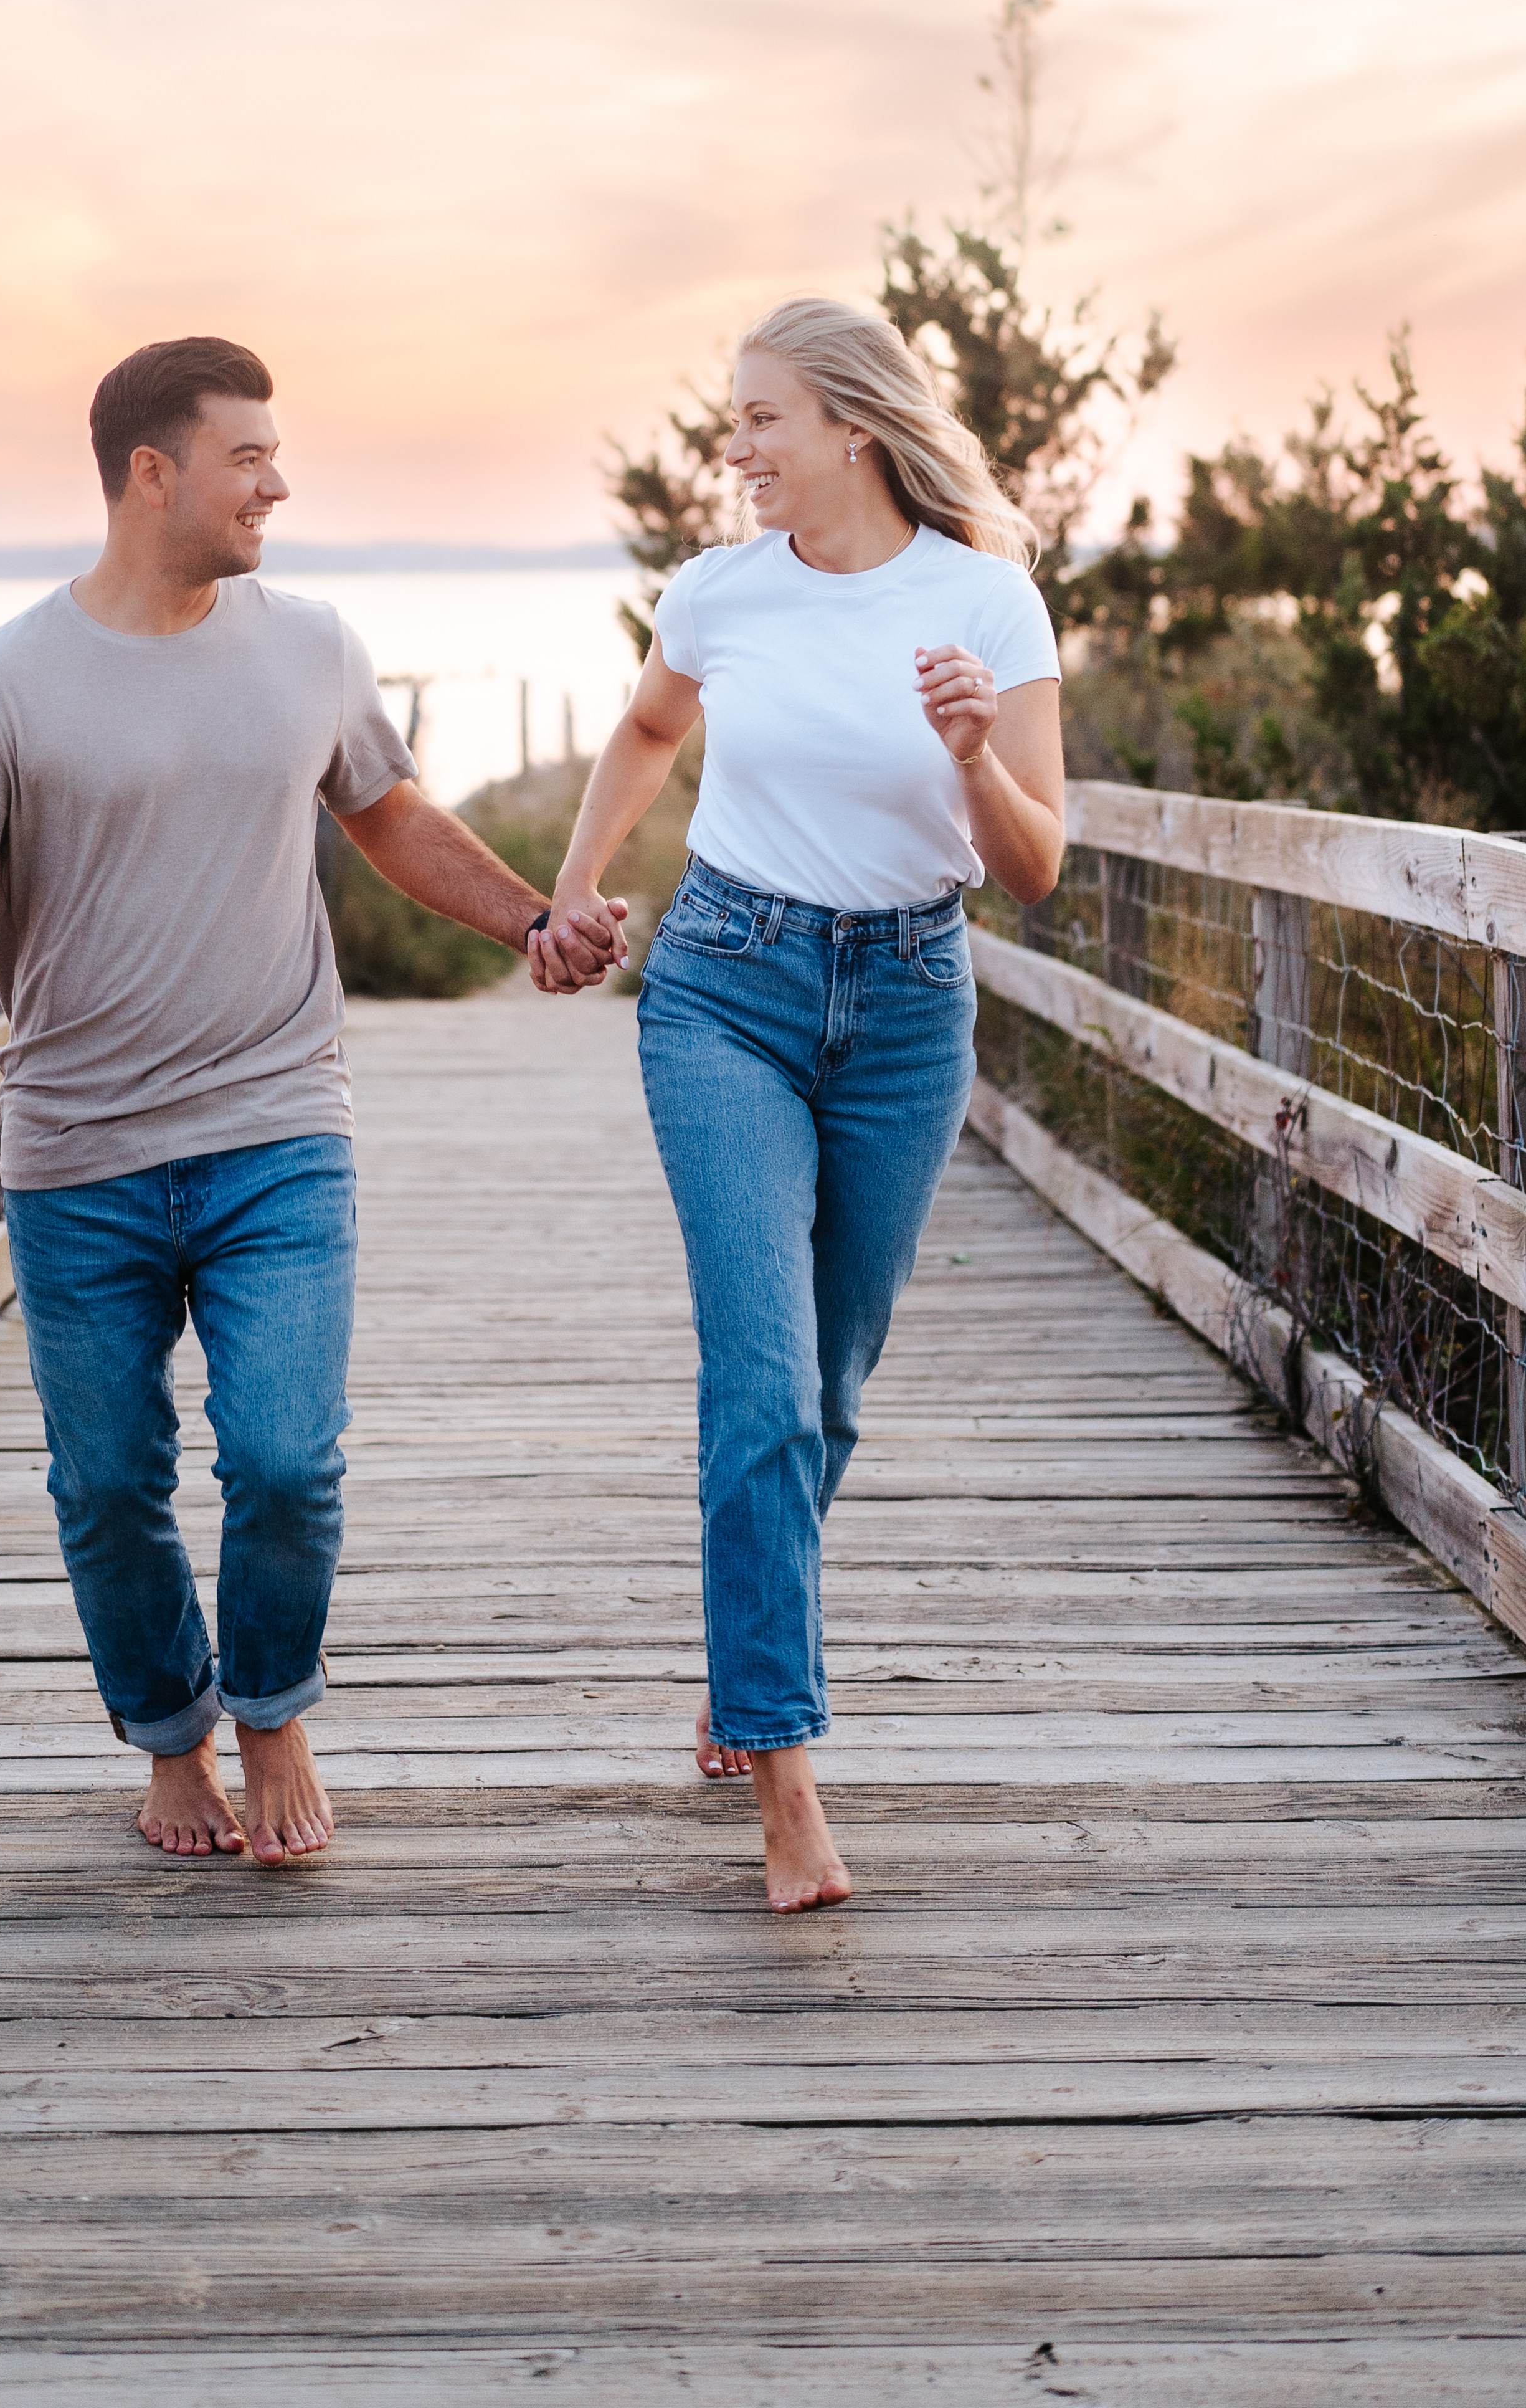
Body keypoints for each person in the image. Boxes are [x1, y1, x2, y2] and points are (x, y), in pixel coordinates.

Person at [0, 334, 618, 1871]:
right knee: (106, 1483)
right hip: (78, 1153)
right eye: (247, 456)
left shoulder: (311, 645)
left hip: (278, 1129)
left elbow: (393, 817)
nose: (277, 483)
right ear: (151, 472)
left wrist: (531, 925)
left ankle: (272, 1708)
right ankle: (171, 1740)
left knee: (286, 1458)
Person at [540, 298, 1064, 1913]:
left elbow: (1035, 866)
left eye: (761, 418)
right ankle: (786, 1785)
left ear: (850, 423)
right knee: (761, 1382)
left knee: (830, 1389)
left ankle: (740, 1651)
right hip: (723, 989)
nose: (738, 448)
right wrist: (573, 893)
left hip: (910, 1005)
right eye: (733, 422)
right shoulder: (720, 592)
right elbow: (645, 729)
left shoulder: (989, 600)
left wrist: (973, 754)